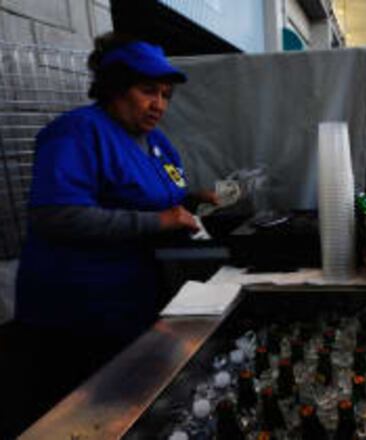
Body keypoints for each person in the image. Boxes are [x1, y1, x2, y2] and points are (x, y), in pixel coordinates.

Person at [0, 33, 215, 437]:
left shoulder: (155, 142)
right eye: (148, 91)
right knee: (83, 421)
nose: (159, 105)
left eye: (166, 95)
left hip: (132, 303)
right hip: (76, 315)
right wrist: (158, 222)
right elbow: (57, 215)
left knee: (127, 413)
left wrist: (192, 198)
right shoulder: (77, 132)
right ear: (115, 87)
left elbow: (156, 195)